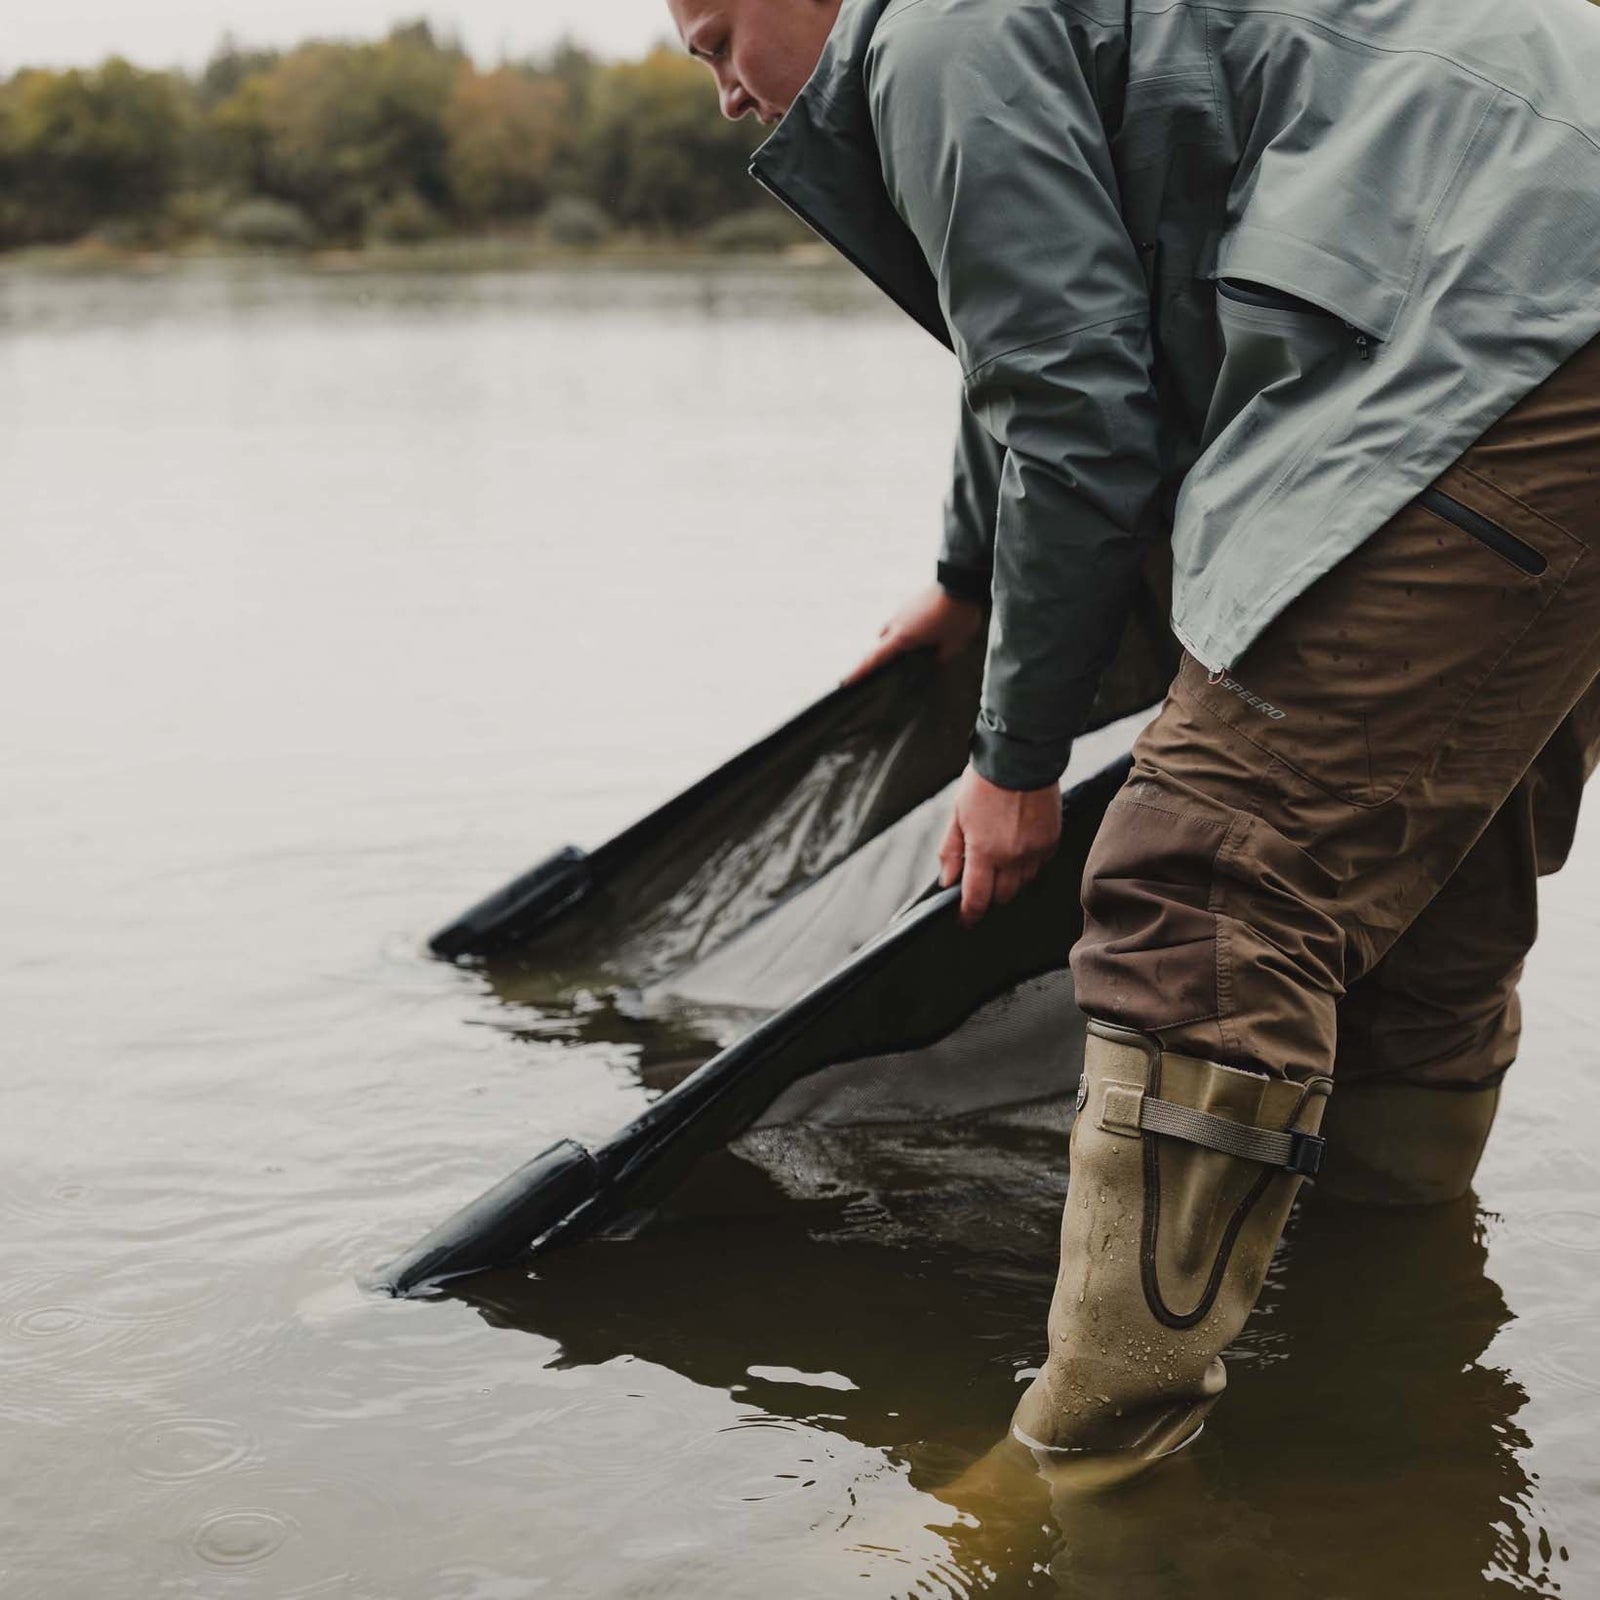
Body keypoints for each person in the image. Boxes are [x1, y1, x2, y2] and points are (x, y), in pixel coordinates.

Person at [668, 0, 1600, 1474]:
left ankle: (1087, 1471)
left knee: (1201, 877)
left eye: (719, 38)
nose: (724, 90)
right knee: (1428, 879)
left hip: (1513, 309)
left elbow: (1074, 407)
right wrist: (968, 576)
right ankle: (1389, 1336)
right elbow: (1034, 328)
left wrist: (1015, 761)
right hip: (1543, 283)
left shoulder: (935, 39)